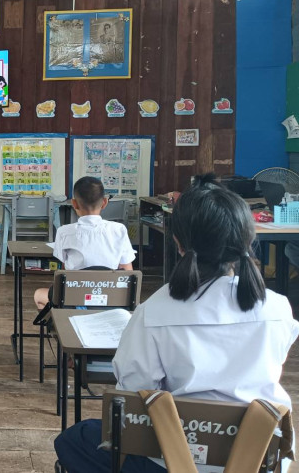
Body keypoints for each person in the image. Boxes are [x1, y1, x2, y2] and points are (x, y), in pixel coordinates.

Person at [54, 174, 299, 472]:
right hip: (259, 456)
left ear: (178, 242)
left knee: (74, 439)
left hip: (168, 458)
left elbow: (133, 390)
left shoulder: (155, 311)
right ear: (246, 239)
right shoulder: (278, 308)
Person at [34, 176, 135, 310]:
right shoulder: (119, 230)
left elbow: (64, 273)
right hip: (111, 302)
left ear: (74, 204)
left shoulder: (64, 232)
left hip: (75, 301)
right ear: (104, 202)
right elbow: (128, 272)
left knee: (38, 295)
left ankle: (63, 322)